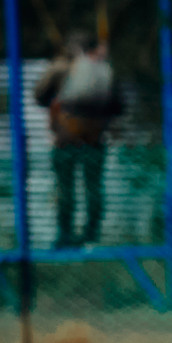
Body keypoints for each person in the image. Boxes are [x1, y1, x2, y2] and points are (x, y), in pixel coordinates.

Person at [34, 35, 125, 247]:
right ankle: (91, 236)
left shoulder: (60, 67)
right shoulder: (104, 69)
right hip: (95, 137)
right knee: (93, 186)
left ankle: (65, 235)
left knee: (64, 186)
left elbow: (39, 95)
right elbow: (119, 106)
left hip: (65, 136)